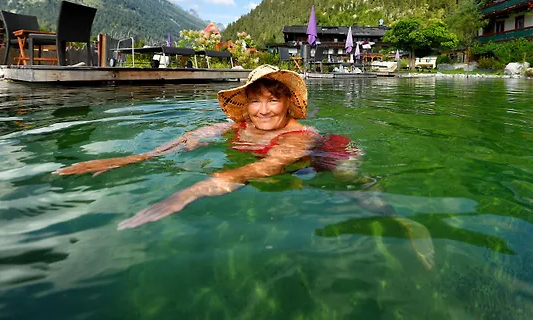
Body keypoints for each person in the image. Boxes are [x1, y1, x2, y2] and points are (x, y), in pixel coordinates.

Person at [56, 65, 355, 230]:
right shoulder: (242, 125)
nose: (263, 110)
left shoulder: (298, 136)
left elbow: (266, 168)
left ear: (288, 102)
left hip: (320, 163)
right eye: (255, 100)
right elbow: (192, 136)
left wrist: (186, 194)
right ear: (247, 104)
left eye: (273, 100)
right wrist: (132, 158)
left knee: (353, 184)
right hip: (265, 170)